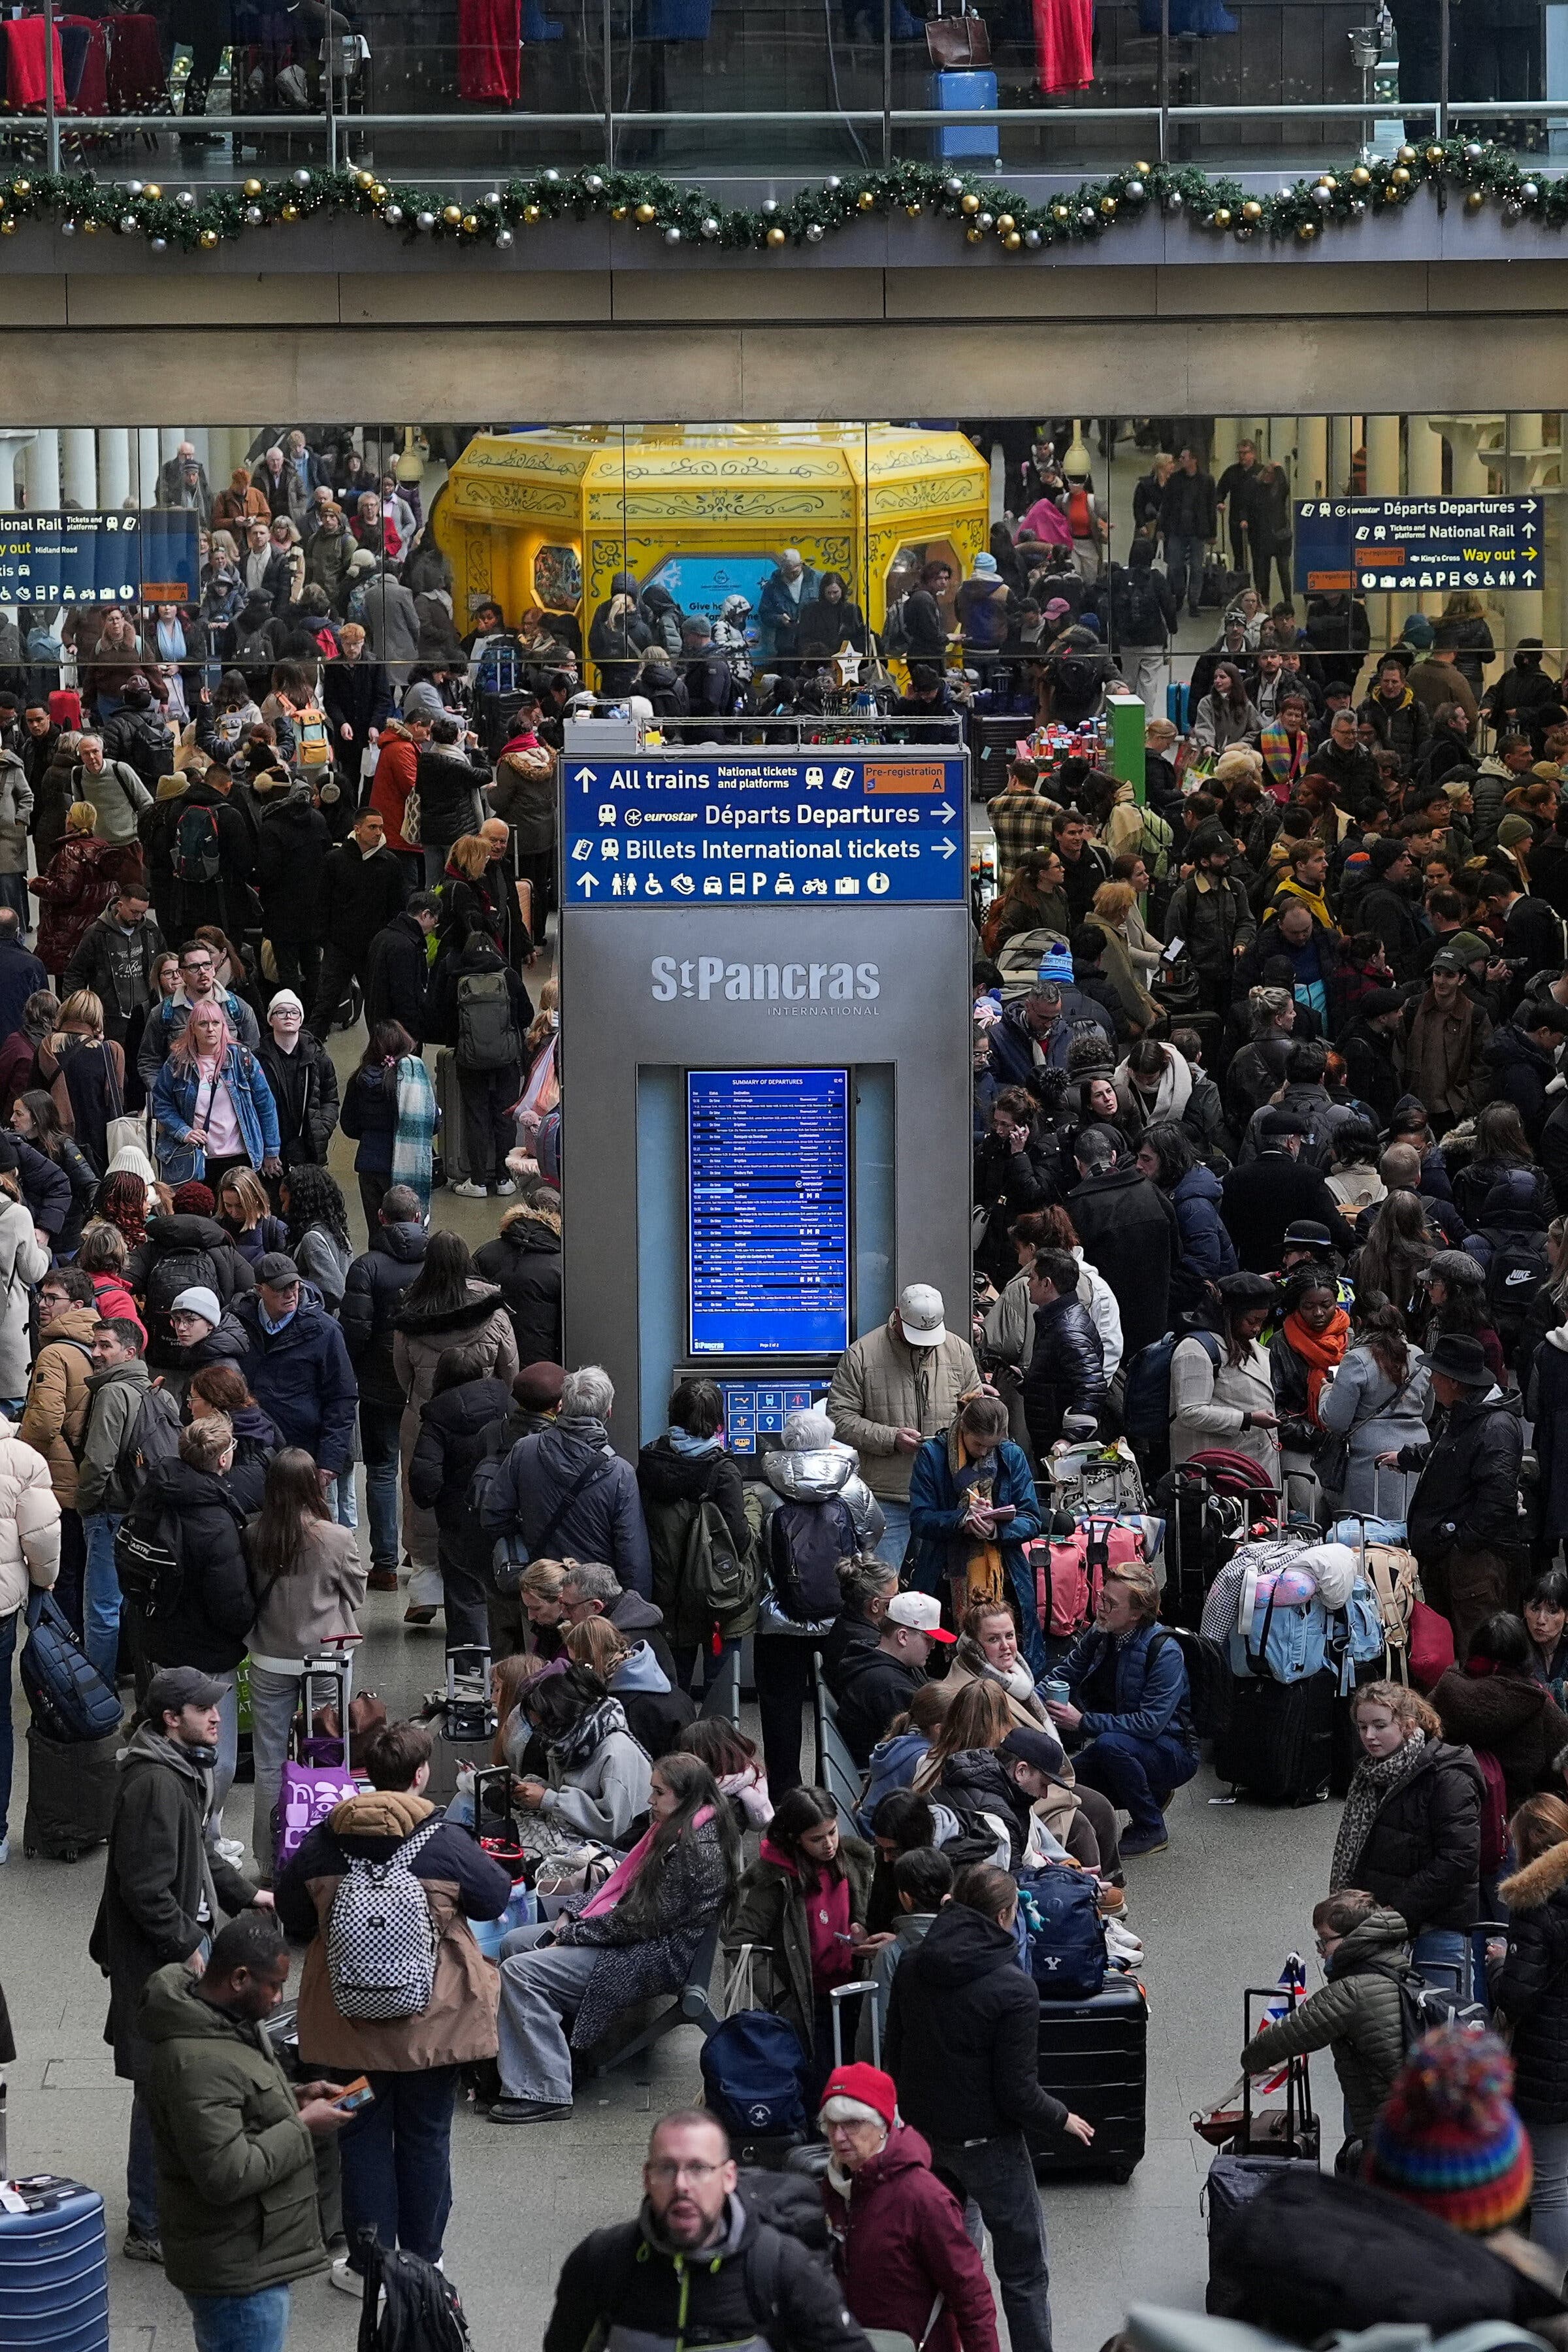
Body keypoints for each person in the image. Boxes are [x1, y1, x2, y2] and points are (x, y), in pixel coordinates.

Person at [274, 1717, 512, 2291]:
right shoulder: (445, 1840)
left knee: (360, 2134)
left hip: (347, 2030)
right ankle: (424, 2259)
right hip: (432, 2030)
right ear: (421, 1774)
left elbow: (293, 1913)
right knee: (427, 2134)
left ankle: (367, 2265)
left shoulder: (324, 1840)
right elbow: (494, 1898)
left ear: (366, 1775)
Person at [90, 1665, 272, 2265]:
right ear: (172, 1719)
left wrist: (249, 1894)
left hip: (182, 1946)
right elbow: (143, 1887)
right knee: (161, 2086)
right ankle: (148, 2223)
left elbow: (198, 1851)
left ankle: (180, 2199)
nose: (219, 1717)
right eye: (204, 1709)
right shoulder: (154, 1784)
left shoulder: (178, 1770)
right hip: (162, 1962)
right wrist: (188, 1946)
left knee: (184, 2081)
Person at [886, 1863, 1094, 2352]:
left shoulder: (913, 1963)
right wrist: (1062, 2117)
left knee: (944, 2259)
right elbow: (1018, 2093)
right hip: (990, 2147)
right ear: (1005, 1916)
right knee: (1023, 2272)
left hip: (926, 2138)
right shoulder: (1014, 1988)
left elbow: (894, 2051)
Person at [489, 1752, 740, 2123]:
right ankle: (555, 2054)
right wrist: (570, 1914)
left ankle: (545, 2091)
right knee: (515, 1944)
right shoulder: (678, 1830)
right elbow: (620, 1886)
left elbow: (641, 1922)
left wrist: (573, 1933)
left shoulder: (693, 1852)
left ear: (685, 1797)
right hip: (634, 1940)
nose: (650, 1801)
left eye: (659, 1793)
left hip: (650, 1957)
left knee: (520, 1971)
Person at [142, 1914, 352, 2352]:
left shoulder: (224, 2023)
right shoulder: (199, 2063)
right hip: (237, 2273)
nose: (279, 1999)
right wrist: (304, 2125)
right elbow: (227, 2173)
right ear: (239, 1978)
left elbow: (237, 2106)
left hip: (250, 2255)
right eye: (274, 1986)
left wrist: (294, 2097)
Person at [544, 2108, 875, 2352]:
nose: (682, 2185)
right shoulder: (603, 2261)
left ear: (729, 2177)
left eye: (699, 2168)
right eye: (667, 2168)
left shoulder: (781, 2266)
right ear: (647, 2178)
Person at [817, 2060, 1000, 2352]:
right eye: (832, 2124)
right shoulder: (830, 2189)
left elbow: (971, 2295)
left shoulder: (923, 2197)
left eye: (852, 2123)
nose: (839, 2137)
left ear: (881, 2125)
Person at [243, 1448, 366, 1878]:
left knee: (270, 1759)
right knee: (327, 1756)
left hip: (270, 1656)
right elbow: (357, 1594)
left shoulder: (253, 1533)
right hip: (325, 1660)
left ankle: (269, 1858)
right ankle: (326, 1855)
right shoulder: (335, 1538)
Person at [393, 1230, 519, 1624]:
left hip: (425, 1418)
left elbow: (402, 1375)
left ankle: (425, 1592)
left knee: (424, 1499)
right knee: (479, 1495)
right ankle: (477, 1589)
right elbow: (511, 1369)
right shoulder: (493, 1312)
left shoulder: (410, 1314)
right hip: (486, 1422)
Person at [1329, 1679, 1482, 1994]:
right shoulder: (1369, 1776)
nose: (1368, 1737)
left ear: (1408, 1725)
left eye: (1379, 1726)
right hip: (1382, 1924)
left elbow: (1458, 1859)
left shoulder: (1448, 1776)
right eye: (1362, 1727)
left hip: (1436, 1926)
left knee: (1436, 2027)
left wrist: (1396, 1909)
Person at [727, 1784, 876, 2107]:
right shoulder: (774, 1881)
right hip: (809, 2003)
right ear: (795, 1838)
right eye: (817, 1839)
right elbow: (740, 1941)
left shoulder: (858, 1861)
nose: (829, 1845)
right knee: (820, 2087)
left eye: (833, 1833)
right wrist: (780, 1996)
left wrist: (868, 1933)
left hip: (855, 1991)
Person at [1378, 1331, 1525, 1658]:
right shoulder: (1465, 1414)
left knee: (1477, 1654)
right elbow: (1450, 1453)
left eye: (1436, 1375)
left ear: (1456, 1382)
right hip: (1456, 1558)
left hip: (1476, 1564)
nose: (1430, 1381)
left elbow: (1497, 1498)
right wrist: (1406, 1457)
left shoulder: (1496, 1425)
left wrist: (1461, 1542)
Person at [1046, 1561, 1197, 1857]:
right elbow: (1066, 1673)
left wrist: (1082, 1722)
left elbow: (1150, 1724)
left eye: (1110, 1603)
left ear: (1135, 1615)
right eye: (1102, 1597)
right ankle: (1150, 1792)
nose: (1100, 1607)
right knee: (1066, 1780)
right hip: (1125, 1742)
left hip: (1174, 1750)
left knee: (1110, 1746)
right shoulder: (1101, 1632)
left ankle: (1151, 1827)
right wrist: (1022, 1699)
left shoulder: (1165, 1652)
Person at [827, 1285, 982, 1573]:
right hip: (889, 1498)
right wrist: (891, 1438)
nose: (923, 1344)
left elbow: (974, 1411)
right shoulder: (862, 1354)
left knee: (941, 1591)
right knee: (883, 1587)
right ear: (897, 1317)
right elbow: (839, 1417)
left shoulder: (959, 1350)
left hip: (946, 1495)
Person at [1239, 1888, 1409, 2149]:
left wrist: (1251, 2061)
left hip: (1393, 2135)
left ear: (1353, 1940)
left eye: (1325, 1941)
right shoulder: (1402, 1974)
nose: (1320, 1951)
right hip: (1419, 2125)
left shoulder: (1350, 1992)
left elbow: (1278, 2040)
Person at [636, 1377, 755, 1718]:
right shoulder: (723, 1470)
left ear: (672, 1415)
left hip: (667, 1595)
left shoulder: (651, 1460)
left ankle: (675, 1760)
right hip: (714, 1598)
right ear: (719, 1422)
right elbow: (739, 1538)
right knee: (720, 1694)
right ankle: (717, 1762)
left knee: (672, 1688)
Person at [480, 1362, 652, 1599]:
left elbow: (493, 1515)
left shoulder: (525, 1450)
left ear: (563, 1406)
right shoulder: (620, 1473)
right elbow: (633, 1557)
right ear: (608, 1411)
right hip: (592, 1600)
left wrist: (531, 1539)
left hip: (542, 1591)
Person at [908, 1391, 1043, 1665]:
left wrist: (996, 1530)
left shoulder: (1011, 1455)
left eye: (991, 1447)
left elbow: (1031, 1518)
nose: (983, 1452)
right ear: (963, 1428)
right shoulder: (932, 1454)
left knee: (1005, 1658)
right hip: (943, 1575)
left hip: (1004, 1577)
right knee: (944, 1663)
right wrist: (962, 1521)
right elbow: (920, 1519)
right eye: (978, 1444)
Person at [1494, 1793, 1568, 2285]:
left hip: (1551, 2061)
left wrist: (1502, 1966)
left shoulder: (1535, 1903)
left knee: (1552, 2188)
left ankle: (1547, 2294)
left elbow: (1518, 1996)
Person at [340, 1183, 425, 1594]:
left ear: (381, 1217)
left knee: (381, 1471)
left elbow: (355, 1331)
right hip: (425, 1386)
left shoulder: (366, 1266)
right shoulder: (436, 1262)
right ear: (420, 1215)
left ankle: (385, 1564)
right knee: (423, 1466)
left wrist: (357, 1372)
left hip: (378, 1386)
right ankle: (422, 1554)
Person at [406, 1341, 514, 1648]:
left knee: (465, 1602)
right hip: (508, 1518)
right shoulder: (508, 1401)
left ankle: (468, 1684)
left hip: (461, 1524)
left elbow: (425, 1483)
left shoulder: (438, 1416)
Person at [230, 1252, 358, 1511]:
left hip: (303, 1455)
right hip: (250, 1451)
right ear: (260, 1290)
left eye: (294, 1285)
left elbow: (342, 1398)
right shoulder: (238, 1322)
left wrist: (329, 1461)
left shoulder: (324, 1331)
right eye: (280, 1288)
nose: (290, 1293)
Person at [74, 1315, 152, 1685]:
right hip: (142, 1511)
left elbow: (98, 1462)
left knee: (101, 1607)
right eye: (94, 1344)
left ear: (129, 1352)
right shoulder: (155, 1389)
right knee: (129, 1603)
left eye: (105, 1345)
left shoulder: (111, 1393)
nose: (95, 1352)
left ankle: (98, 1689)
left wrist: (84, 1503)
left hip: (109, 1513)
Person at [1431, 1612, 1568, 1819]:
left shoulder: (1444, 1694)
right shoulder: (1538, 1703)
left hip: (1449, 1819)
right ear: (1523, 1656)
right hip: (1521, 1827)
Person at [1316, 1290, 1432, 1518]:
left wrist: (1326, 1391)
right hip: (1418, 1456)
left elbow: (1336, 1421)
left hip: (1371, 1464)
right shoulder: (1418, 1356)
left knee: (1370, 1539)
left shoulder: (1357, 1359)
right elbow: (1427, 1413)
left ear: (1358, 1322)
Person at [151, 998, 280, 1191]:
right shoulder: (178, 1061)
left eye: (216, 1023)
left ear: (223, 1026)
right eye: (203, 1024)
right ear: (192, 1028)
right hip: (197, 1158)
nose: (210, 1029)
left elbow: (266, 1105)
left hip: (241, 1156)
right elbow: (161, 1101)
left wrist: (271, 1151)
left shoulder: (242, 1058)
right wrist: (183, 1132)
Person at [1168, 1268, 1281, 1483]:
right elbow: (1190, 1412)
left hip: (1254, 1468)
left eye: (1262, 1321)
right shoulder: (1195, 1349)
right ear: (1232, 1315)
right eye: (1252, 1320)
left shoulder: (1249, 1343)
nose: (1257, 1328)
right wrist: (1247, 1419)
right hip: (1212, 1477)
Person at [308, 806, 408, 1043]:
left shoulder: (390, 863)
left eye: (381, 828)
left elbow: (398, 906)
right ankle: (308, 1056)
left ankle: (382, 1059)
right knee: (324, 1005)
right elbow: (321, 901)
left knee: (378, 1010)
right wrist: (324, 939)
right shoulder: (335, 860)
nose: (378, 832)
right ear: (358, 828)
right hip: (339, 946)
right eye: (372, 827)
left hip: (373, 948)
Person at [836, 1591, 955, 1768]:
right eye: (929, 1639)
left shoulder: (874, 1655)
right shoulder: (890, 1688)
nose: (934, 1646)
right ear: (903, 1637)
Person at [1220, 1108, 1347, 1273]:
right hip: (1298, 1272)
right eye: (1300, 1141)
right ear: (1291, 1142)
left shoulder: (1235, 1177)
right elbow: (1333, 1225)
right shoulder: (1308, 1177)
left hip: (1252, 1273)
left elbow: (1227, 1233)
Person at [254, 988, 338, 1175]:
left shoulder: (319, 1058)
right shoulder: (257, 1060)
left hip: (309, 1149)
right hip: (271, 1151)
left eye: (294, 1012)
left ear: (301, 1020)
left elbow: (330, 1099)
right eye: (281, 1012)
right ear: (270, 1019)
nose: (288, 1017)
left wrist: (321, 1129)